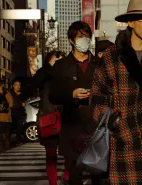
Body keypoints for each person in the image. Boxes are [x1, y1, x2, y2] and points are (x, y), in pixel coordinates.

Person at [90, 0, 142, 185]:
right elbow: (97, 96)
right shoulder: (113, 56)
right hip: (122, 142)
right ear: (131, 23)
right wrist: (115, 121)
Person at [48, 21, 99, 185]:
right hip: (73, 129)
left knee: (99, 176)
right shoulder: (61, 66)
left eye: (87, 36)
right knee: (75, 177)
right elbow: (53, 94)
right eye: (80, 37)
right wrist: (71, 95)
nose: (85, 40)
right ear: (71, 40)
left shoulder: (99, 65)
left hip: (96, 127)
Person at [32, 51, 69, 185]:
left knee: (69, 154)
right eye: (56, 60)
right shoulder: (44, 76)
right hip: (49, 118)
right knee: (51, 155)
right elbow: (34, 83)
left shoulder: (67, 74)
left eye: (62, 61)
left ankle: (66, 177)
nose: (59, 64)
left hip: (67, 118)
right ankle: (53, 183)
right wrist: (49, 67)